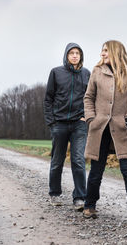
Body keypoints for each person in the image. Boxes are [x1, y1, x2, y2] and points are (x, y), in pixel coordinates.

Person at [82, 40, 127, 224]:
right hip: (99, 128)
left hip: (122, 127)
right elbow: (88, 97)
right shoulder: (97, 71)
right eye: (102, 51)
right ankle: (89, 205)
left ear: (116, 52)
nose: (102, 54)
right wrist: (91, 118)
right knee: (96, 170)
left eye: (106, 51)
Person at [43, 42, 90, 210]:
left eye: (78, 53)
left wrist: (87, 117)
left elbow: (91, 98)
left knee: (78, 160)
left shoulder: (86, 74)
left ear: (81, 56)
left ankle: (79, 198)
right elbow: (48, 99)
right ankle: (54, 193)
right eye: (72, 53)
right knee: (57, 160)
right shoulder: (56, 73)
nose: (75, 55)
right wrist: (52, 121)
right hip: (59, 123)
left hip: (79, 123)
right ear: (66, 55)